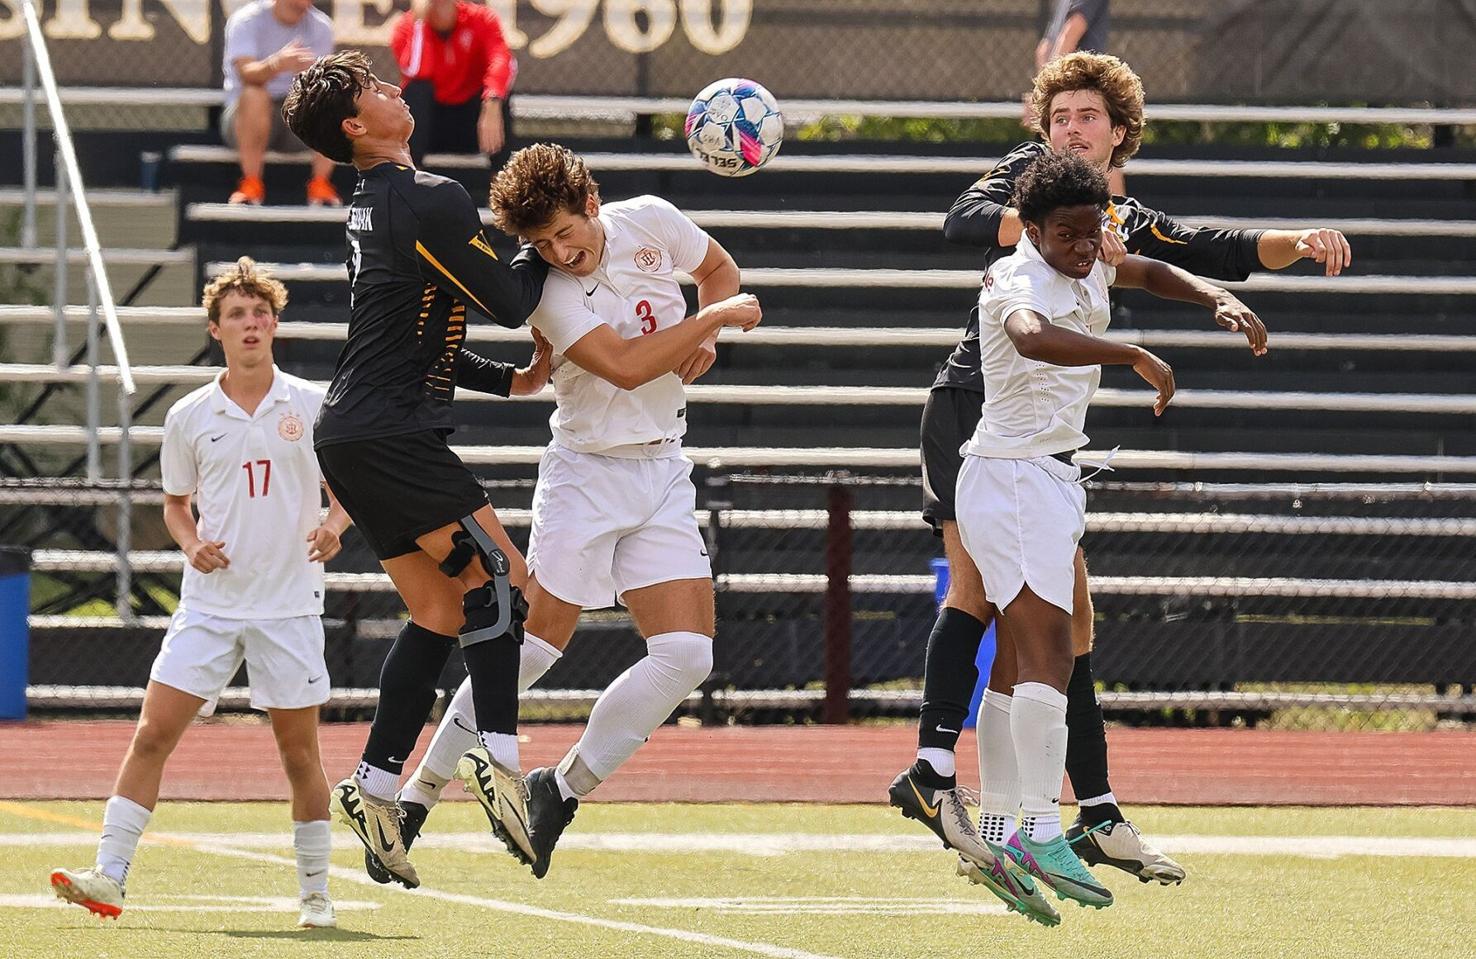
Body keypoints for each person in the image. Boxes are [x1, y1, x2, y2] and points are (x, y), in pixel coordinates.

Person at [894, 50, 1351, 891]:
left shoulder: (1118, 222)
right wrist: (1053, 224)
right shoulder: (1037, 195)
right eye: (1059, 117)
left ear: (1120, 133)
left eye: (1088, 117)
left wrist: (1291, 245)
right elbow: (963, 220)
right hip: (976, 410)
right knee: (986, 599)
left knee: (1065, 628)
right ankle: (943, 775)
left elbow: (1209, 248)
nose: (1071, 129)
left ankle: (1078, 811)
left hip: (1045, 447)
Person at [346, 142, 761, 883]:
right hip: (587, 474)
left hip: (664, 465)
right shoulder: (544, 287)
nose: (559, 253)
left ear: (592, 203)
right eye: (541, 244)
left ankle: (560, 790)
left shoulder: (651, 218)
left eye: (566, 233)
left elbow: (718, 268)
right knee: (532, 648)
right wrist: (718, 319)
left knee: (687, 657)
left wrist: (710, 319)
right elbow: (627, 367)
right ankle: (416, 798)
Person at [956, 151, 1265, 916]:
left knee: (1015, 665)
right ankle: (1038, 829)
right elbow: (1032, 337)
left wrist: (1213, 293)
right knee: (1053, 653)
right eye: (1065, 234)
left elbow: (1147, 271)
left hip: (1043, 476)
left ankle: (997, 830)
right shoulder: (1017, 276)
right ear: (1031, 230)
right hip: (1015, 477)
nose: (1083, 246)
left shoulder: (1093, 251)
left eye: (1091, 231)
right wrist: (1131, 352)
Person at [48, 257, 351, 929]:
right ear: (216, 329)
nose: (251, 323)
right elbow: (175, 505)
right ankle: (111, 875)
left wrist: (333, 525)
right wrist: (190, 545)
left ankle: (315, 894)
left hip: (289, 605)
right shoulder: (188, 414)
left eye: (260, 312)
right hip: (209, 607)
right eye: (237, 314)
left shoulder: (311, 404)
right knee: (152, 734)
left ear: (275, 324)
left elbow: (349, 489)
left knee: (300, 754)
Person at [221, 0, 339, 206]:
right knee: (254, 94)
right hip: (243, 120)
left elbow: (325, 82)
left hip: (296, 118)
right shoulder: (246, 20)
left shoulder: (321, 26)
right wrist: (277, 64)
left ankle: (321, 185)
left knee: (331, 96)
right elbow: (246, 74)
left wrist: (312, 75)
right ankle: (250, 184)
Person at [390, 0, 517, 170]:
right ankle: (411, 176)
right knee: (416, 89)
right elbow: (415, 71)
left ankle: (503, 178)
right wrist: (420, 26)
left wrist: (492, 101)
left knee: (498, 94)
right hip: (431, 127)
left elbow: (503, 60)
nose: (440, 6)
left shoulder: (481, 18)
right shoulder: (406, 27)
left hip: (473, 125)